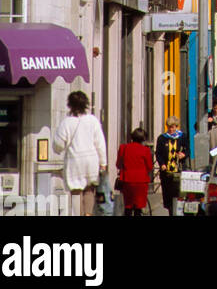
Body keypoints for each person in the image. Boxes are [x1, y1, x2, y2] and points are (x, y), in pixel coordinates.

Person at [53, 89, 108, 217]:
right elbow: (100, 143)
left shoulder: (66, 122)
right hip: (92, 160)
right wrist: (103, 163)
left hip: (75, 160)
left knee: (76, 190)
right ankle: (88, 213)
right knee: (89, 188)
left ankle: (79, 213)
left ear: (70, 105)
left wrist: (59, 149)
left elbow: (58, 145)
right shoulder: (93, 120)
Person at [115, 127, 154, 218]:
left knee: (128, 206)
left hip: (127, 180)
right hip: (141, 182)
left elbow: (118, 164)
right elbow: (149, 167)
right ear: (143, 139)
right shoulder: (145, 150)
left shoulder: (123, 148)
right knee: (138, 207)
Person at [155, 116, 188, 216]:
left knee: (178, 195)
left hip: (179, 171)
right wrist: (162, 164)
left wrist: (184, 154)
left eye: (173, 127)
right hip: (166, 173)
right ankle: (171, 212)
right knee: (168, 196)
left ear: (176, 126)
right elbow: (158, 154)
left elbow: (188, 149)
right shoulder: (162, 138)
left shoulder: (182, 137)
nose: (171, 130)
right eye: (169, 127)